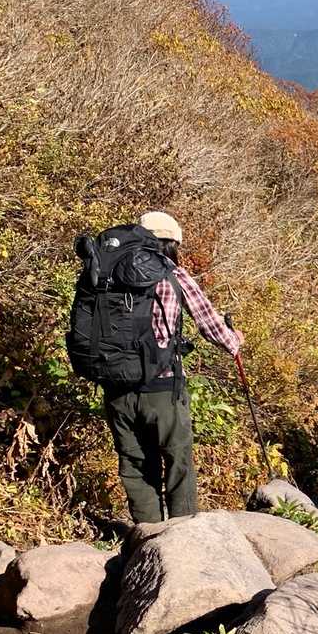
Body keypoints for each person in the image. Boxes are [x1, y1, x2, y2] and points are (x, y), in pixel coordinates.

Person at [74, 211, 242, 523]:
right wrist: (235, 341)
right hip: (163, 387)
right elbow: (210, 325)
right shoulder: (172, 274)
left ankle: (147, 536)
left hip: (115, 386)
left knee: (135, 465)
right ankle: (181, 538)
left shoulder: (103, 272)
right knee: (178, 462)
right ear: (172, 243)